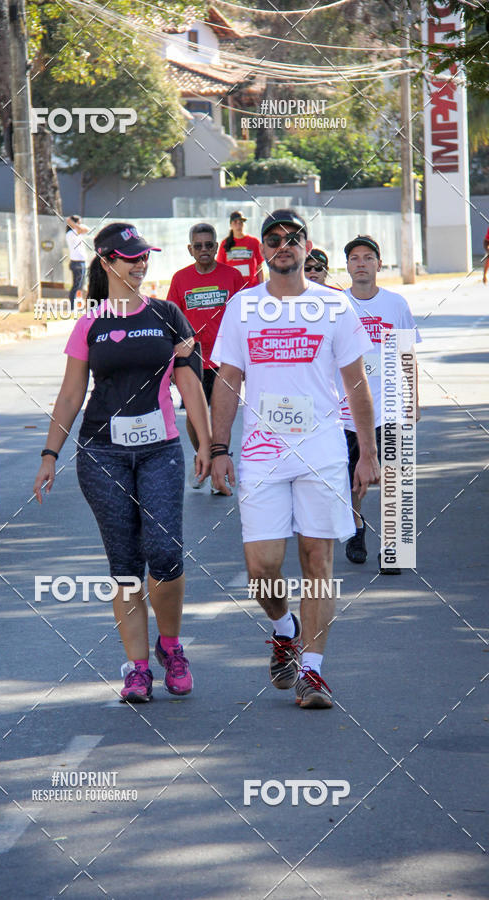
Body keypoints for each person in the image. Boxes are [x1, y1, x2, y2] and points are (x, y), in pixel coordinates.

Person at [33, 222, 211, 703]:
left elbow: (189, 384)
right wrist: (50, 454)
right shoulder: (91, 322)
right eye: (131, 257)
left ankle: (171, 647)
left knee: (165, 551)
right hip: (101, 453)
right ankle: (136, 669)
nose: (140, 263)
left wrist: (209, 445)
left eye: (144, 256)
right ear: (108, 261)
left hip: (159, 451)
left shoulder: (168, 314)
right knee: (126, 564)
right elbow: (72, 394)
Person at [210, 209, 379, 709]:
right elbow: (227, 380)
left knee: (316, 560)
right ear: (262, 248)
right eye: (273, 238)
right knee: (262, 567)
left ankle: (313, 672)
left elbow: (356, 382)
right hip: (262, 454)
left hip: (323, 451)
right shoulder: (243, 306)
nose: (283, 245)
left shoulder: (334, 306)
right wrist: (219, 446)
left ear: (308, 247)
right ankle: (285, 629)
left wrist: (366, 451)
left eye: (292, 238)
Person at [338, 235, 421, 575]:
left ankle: (393, 547)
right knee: (352, 480)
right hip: (346, 411)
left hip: (388, 405)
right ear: (347, 266)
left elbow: (408, 355)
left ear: (378, 263)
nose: (361, 263)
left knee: (392, 476)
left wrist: (414, 399)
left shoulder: (396, 304)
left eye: (367, 257)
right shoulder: (336, 305)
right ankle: (356, 528)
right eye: (354, 258)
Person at [167, 222, 244, 490]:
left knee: (222, 415)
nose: (204, 250)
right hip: (193, 358)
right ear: (190, 249)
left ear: (216, 247)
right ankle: (205, 461)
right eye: (198, 246)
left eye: (209, 245)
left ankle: (218, 467)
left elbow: (243, 317)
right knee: (193, 415)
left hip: (226, 357)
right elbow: (172, 321)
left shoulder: (232, 276)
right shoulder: (180, 278)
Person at [216, 210, 264, 289]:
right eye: (235, 222)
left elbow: (259, 267)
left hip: (251, 287)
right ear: (231, 225)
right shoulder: (225, 243)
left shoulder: (254, 242)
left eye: (241, 222)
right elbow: (220, 268)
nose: (238, 225)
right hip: (233, 287)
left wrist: (261, 286)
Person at [65, 215, 90, 308]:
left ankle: (78, 304)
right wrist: (72, 223)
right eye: (79, 222)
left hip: (81, 262)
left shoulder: (76, 231)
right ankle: (72, 306)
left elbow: (87, 229)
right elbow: (82, 229)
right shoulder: (71, 233)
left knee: (80, 286)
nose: (80, 225)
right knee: (77, 285)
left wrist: (73, 223)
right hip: (77, 263)